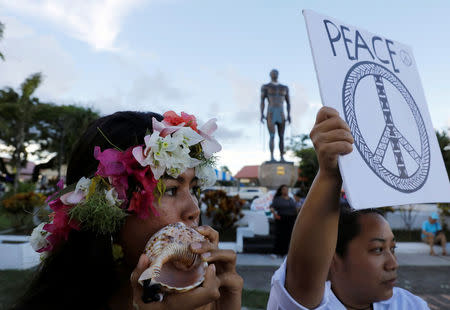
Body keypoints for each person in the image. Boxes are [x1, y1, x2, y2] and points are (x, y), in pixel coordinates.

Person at [12, 111, 243, 310]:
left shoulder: (203, 300)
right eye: (171, 190)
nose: (194, 210)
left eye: (193, 189)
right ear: (105, 212)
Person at [267, 107, 429, 310]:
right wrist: (330, 174)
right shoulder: (313, 303)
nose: (393, 264)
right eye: (378, 249)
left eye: (392, 248)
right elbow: (303, 276)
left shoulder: (410, 305)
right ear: (332, 258)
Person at [260, 69, 291, 162]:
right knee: (272, 135)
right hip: (271, 112)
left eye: (276, 73)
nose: (274, 75)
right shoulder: (266, 87)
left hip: (281, 112)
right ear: (270, 75)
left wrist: (289, 115)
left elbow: (288, 102)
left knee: (281, 136)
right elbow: (262, 101)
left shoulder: (284, 87)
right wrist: (261, 114)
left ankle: (282, 156)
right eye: (273, 73)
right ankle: (272, 156)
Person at [270, 184, 297, 256]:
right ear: (281, 191)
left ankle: (285, 252)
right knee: (280, 235)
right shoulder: (278, 199)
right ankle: (276, 252)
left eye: (287, 189)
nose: (286, 190)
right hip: (281, 219)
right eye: (284, 189)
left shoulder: (291, 199)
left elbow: (295, 208)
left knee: (288, 236)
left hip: (291, 219)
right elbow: (272, 207)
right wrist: (275, 215)